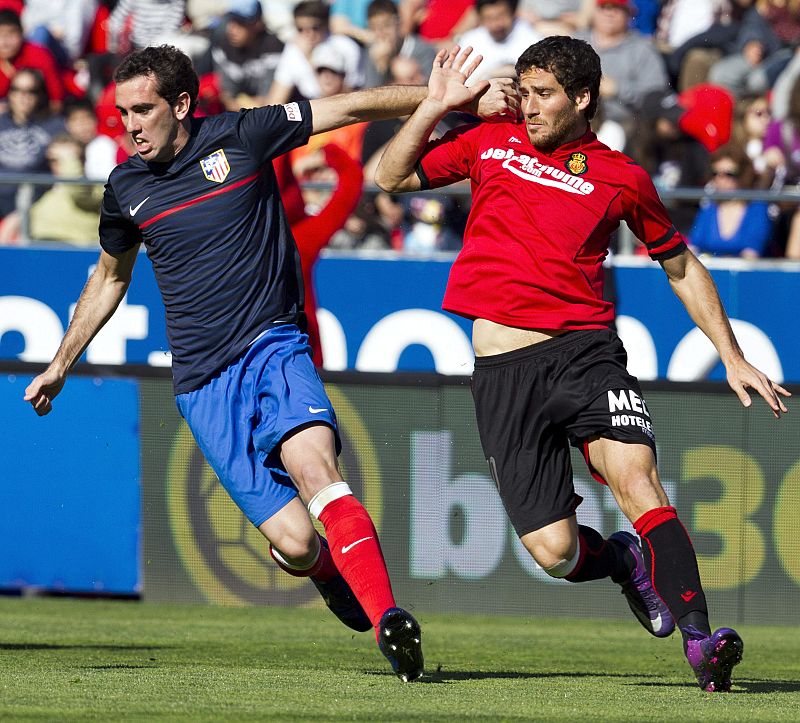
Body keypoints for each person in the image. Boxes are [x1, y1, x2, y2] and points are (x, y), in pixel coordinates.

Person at [23, 43, 515, 682]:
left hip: (273, 345)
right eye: (122, 113)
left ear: (181, 104)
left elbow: (353, 106)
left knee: (317, 470)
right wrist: (63, 361)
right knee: (296, 541)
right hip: (203, 383)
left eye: (143, 110)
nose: (131, 125)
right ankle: (323, 571)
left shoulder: (244, 135)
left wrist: (448, 97)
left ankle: (391, 622)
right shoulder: (124, 188)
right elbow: (110, 278)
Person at [375, 37, 791, 692]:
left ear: (583, 98)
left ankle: (702, 641)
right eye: (527, 90)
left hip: (584, 351)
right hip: (503, 372)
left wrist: (732, 355)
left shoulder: (622, 176)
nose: (528, 104)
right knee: (556, 551)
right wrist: (433, 106)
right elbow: (389, 177)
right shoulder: (490, 141)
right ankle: (625, 562)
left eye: (543, 94)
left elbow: (679, 264)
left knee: (637, 478)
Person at [689, 144, 774, 259]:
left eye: (729, 174)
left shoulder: (757, 209)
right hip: (708, 273)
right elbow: (693, 248)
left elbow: (751, 255)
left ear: (744, 175)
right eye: (715, 174)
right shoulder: (709, 209)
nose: (721, 180)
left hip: (744, 275)